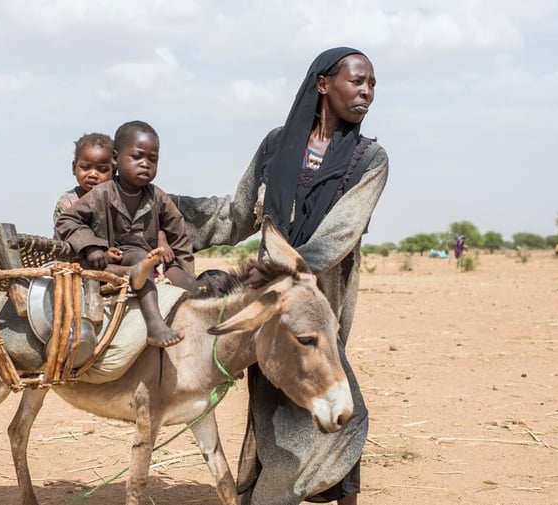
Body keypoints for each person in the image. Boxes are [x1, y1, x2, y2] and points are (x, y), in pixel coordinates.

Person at [172, 47, 388, 504]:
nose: (367, 91)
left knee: (328, 379)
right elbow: (234, 215)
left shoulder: (371, 159)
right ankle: (268, 490)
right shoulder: (276, 145)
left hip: (321, 293)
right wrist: (161, 206)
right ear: (323, 84)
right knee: (270, 392)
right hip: (270, 296)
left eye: (372, 83)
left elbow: (339, 236)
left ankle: (340, 493)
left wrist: (288, 273)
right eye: (357, 81)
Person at [55, 120, 198, 348]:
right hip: (108, 265)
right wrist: (92, 246)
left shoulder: (158, 197)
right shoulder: (101, 193)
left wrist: (182, 271)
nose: (145, 165)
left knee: (193, 288)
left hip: (149, 263)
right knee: (142, 260)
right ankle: (154, 325)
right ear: (115, 159)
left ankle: (204, 343)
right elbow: (67, 220)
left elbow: (179, 236)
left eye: (152, 159)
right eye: (138, 157)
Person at [54, 132, 174, 266]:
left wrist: (161, 239)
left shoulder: (118, 198)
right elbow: (66, 236)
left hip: (118, 258)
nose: (93, 174)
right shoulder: (68, 202)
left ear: (114, 170)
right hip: (77, 263)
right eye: (86, 167)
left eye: (102, 169)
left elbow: (144, 227)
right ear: (74, 167)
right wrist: (95, 249)